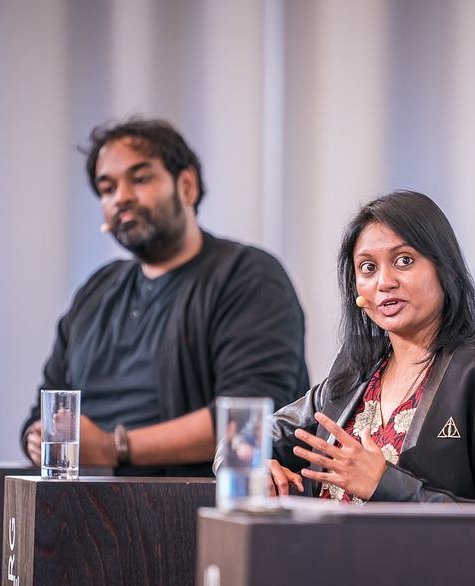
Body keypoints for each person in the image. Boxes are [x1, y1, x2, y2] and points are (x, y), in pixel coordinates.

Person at [21, 117, 310, 477]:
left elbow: (250, 418)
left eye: (140, 179)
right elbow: (46, 406)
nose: (121, 197)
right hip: (83, 512)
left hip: (197, 508)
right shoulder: (95, 291)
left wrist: (114, 447)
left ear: (186, 186)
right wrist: (38, 438)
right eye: (107, 189)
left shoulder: (248, 276)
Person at [227, 190, 475, 504]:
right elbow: (240, 436)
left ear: (446, 270)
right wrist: (253, 465)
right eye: (367, 268)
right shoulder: (355, 369)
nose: (384, 282)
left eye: (404, 261)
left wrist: (385, 483)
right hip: (318, 552)